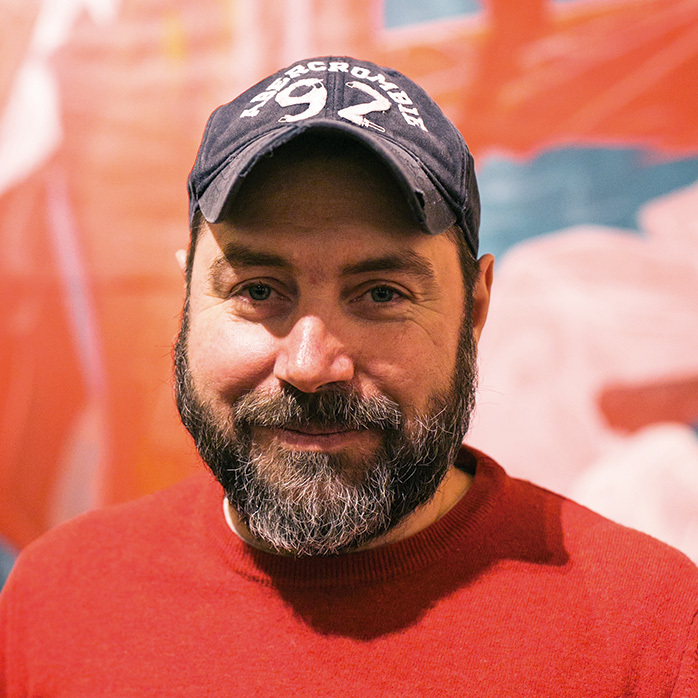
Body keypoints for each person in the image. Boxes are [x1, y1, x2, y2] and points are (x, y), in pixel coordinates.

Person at [0, 56, 696, 696]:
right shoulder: (57, 603)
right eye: (258, 290)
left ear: (476, 309)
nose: (309, 367)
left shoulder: (650, 634)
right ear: (188, 297)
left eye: (382, 294)